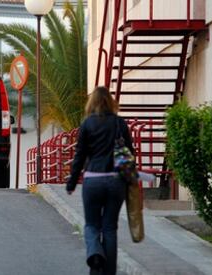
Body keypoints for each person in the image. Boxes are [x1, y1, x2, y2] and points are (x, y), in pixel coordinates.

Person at [66, 86, 135, 275]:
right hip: (115, 181)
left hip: (93, 181)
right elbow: (130, 153)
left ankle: (95, 254)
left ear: (92, 102)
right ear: (110, 102)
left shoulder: (87, 124)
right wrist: (131, 180)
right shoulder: (120, 123)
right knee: (110, 228)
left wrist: (71, 183)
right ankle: (109, 272)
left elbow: (79, 156)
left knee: (91, 225)